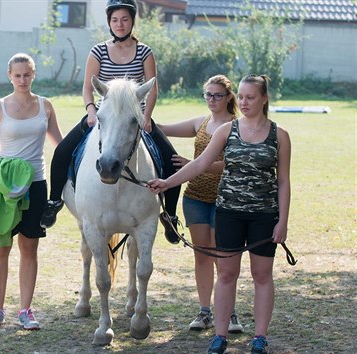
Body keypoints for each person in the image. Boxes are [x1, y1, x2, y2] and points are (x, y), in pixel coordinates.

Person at [148, 74, 291, 354]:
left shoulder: (280, 135)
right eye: (243, 96)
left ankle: (260, 337)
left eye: (251, 97)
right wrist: (167, 183)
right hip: (229, 213)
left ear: (264, 99)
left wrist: (282, 221)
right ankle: (220, 336)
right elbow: (201, 164)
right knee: (226, 274)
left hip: (264, 214)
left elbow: (283, 181)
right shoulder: (227, 130)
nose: (245, 101)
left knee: (262, 275)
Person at [39, 0, 182, 244]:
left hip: (135, 117)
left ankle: (169, 214)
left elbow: (153, 88)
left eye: (124, 19)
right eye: (115, 20)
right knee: (63, 150)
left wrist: (146, 117)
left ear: (132, 21)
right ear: (109, 22)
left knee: (172, 160)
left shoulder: (145, 52)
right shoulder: (98, 51)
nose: (119, 24)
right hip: (103, 115)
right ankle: (54, 200)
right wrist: (91, 111)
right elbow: (87, 88)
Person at [0, 53, 62, 330]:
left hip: (36, 185)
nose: (22, 80)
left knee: (29, 247)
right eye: (18, 75)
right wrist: (8, 167)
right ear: (9, 76)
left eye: (27, 75)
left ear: (34, 74)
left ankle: (26, 310)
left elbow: (59, 145)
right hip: (4, 187)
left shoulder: (45, 106)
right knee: (1, 247)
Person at [157, 75, 244, 333]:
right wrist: (140, 115)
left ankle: (229, 314)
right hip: (195, 198)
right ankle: (205, 312)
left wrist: (192, 165)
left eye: (217, 95)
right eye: (208, 95)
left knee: (222, 258)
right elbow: (162, 128)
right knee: (202, 256)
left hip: (224, 200)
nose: (212, 100)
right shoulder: (201, 122)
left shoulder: (238, 126)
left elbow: (233, 163)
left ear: (229, 97)